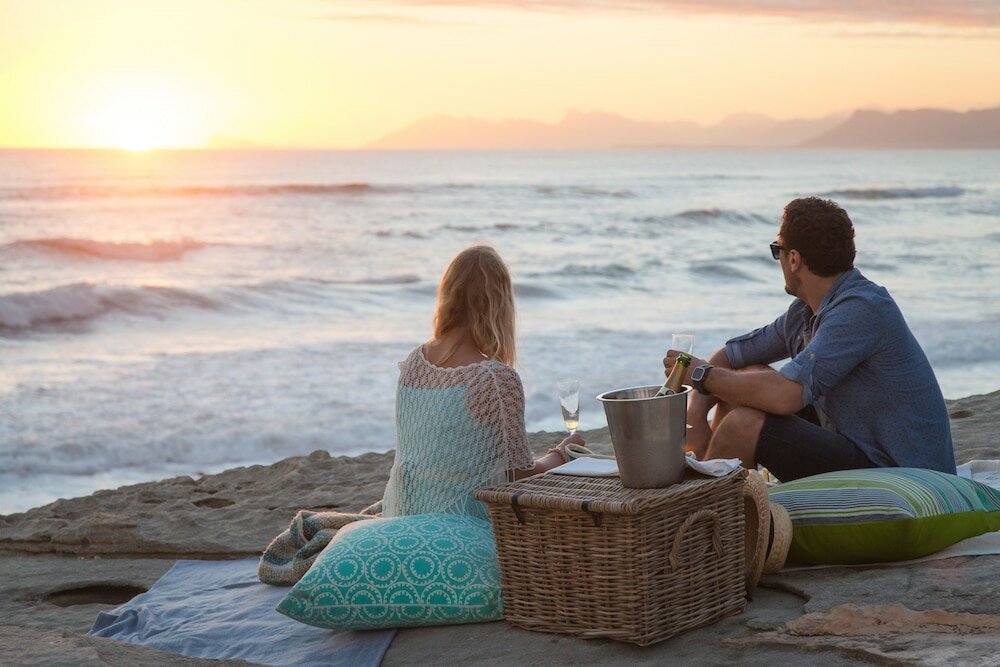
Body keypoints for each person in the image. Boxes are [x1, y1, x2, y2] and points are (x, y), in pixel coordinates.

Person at [664, 197, 955, 482]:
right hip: (856, 443)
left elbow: (786, 396)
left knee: (742, 424)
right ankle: (719, 491)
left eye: (777, 250)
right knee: (749, 375)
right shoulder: (806, 311)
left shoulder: (860, 310)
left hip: (900, 471)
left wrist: (701, 375)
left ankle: (704, 505)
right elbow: (733, 357)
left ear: (793, 259)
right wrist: (696, 414)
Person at [382, 245, 584, 521]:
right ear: (499, 305)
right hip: (461, 524)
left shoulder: (415, 361)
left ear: (447, 294)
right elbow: (519, 475)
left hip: (402, 511)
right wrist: (562, 453)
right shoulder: (493, 378)